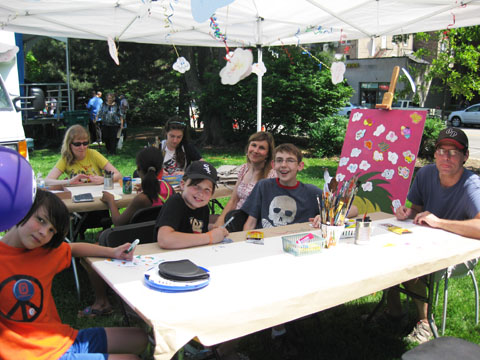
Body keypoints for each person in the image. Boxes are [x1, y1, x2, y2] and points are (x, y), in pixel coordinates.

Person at [0, 189, 148, 359]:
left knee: (140, 338)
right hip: (35, 355)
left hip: (63, 339)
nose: (43, 233)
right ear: (23, 210)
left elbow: (73, 248)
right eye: (40, 220)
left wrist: (113, 252)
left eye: (51, 231)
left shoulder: (44, 252)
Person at [382, 127, 480, 344]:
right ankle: (394, 312)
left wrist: (440, 223)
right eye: (441, 150)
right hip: (425, 242)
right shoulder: (426, 174)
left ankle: (425, 323)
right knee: (385, 252)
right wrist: (408, 213)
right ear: (434, 154)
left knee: (408, 265)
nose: (447, 157)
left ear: (465, 157)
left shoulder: (471, 184)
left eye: (454, 152)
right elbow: (417, 210)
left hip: (461, 253)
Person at [242, 143, 358, 230]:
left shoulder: (311, 192)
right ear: (273, 165)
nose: (283, 165)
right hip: (265, 243)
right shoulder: (263, 186)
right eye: (279, 160)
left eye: (290, 160)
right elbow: (250, 222)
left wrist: (326, 216)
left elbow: (353, 209)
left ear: (300, 166)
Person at [213, 131, 277, 232]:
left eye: (262, 148)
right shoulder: (244, 169)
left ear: (268, 154)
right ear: (248, 148)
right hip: (235, 218)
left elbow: (264, 211)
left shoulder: (271, 176)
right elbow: (233, 200)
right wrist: (220, 222)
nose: (256, 150)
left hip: (252, 224)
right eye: (254, 145)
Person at [156, 160, 228, 249]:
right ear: (182, 184)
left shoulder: (203, 207)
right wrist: (209, 237)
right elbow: (165, 240)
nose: (201, 194)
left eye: (207, 190)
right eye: (196, 186)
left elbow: (193, 228)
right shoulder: (175, 203)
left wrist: (212, 228)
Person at [101, 146, 174, 226]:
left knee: (102, 235)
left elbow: (118, 223)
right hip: (160, 233)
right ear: (160, 169)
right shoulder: (168, 187)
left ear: (138, 169)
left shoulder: (142, 199)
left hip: (138, 236)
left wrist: (111, 201)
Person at [46, 124, 122, 186]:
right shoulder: (66, 158)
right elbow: (47, 181)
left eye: (85, 143)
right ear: (69, 144)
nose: (82, 147)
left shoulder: (93, 154)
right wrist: (69, 182)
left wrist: (103, 179)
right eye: (77, 144)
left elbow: (118, 175)